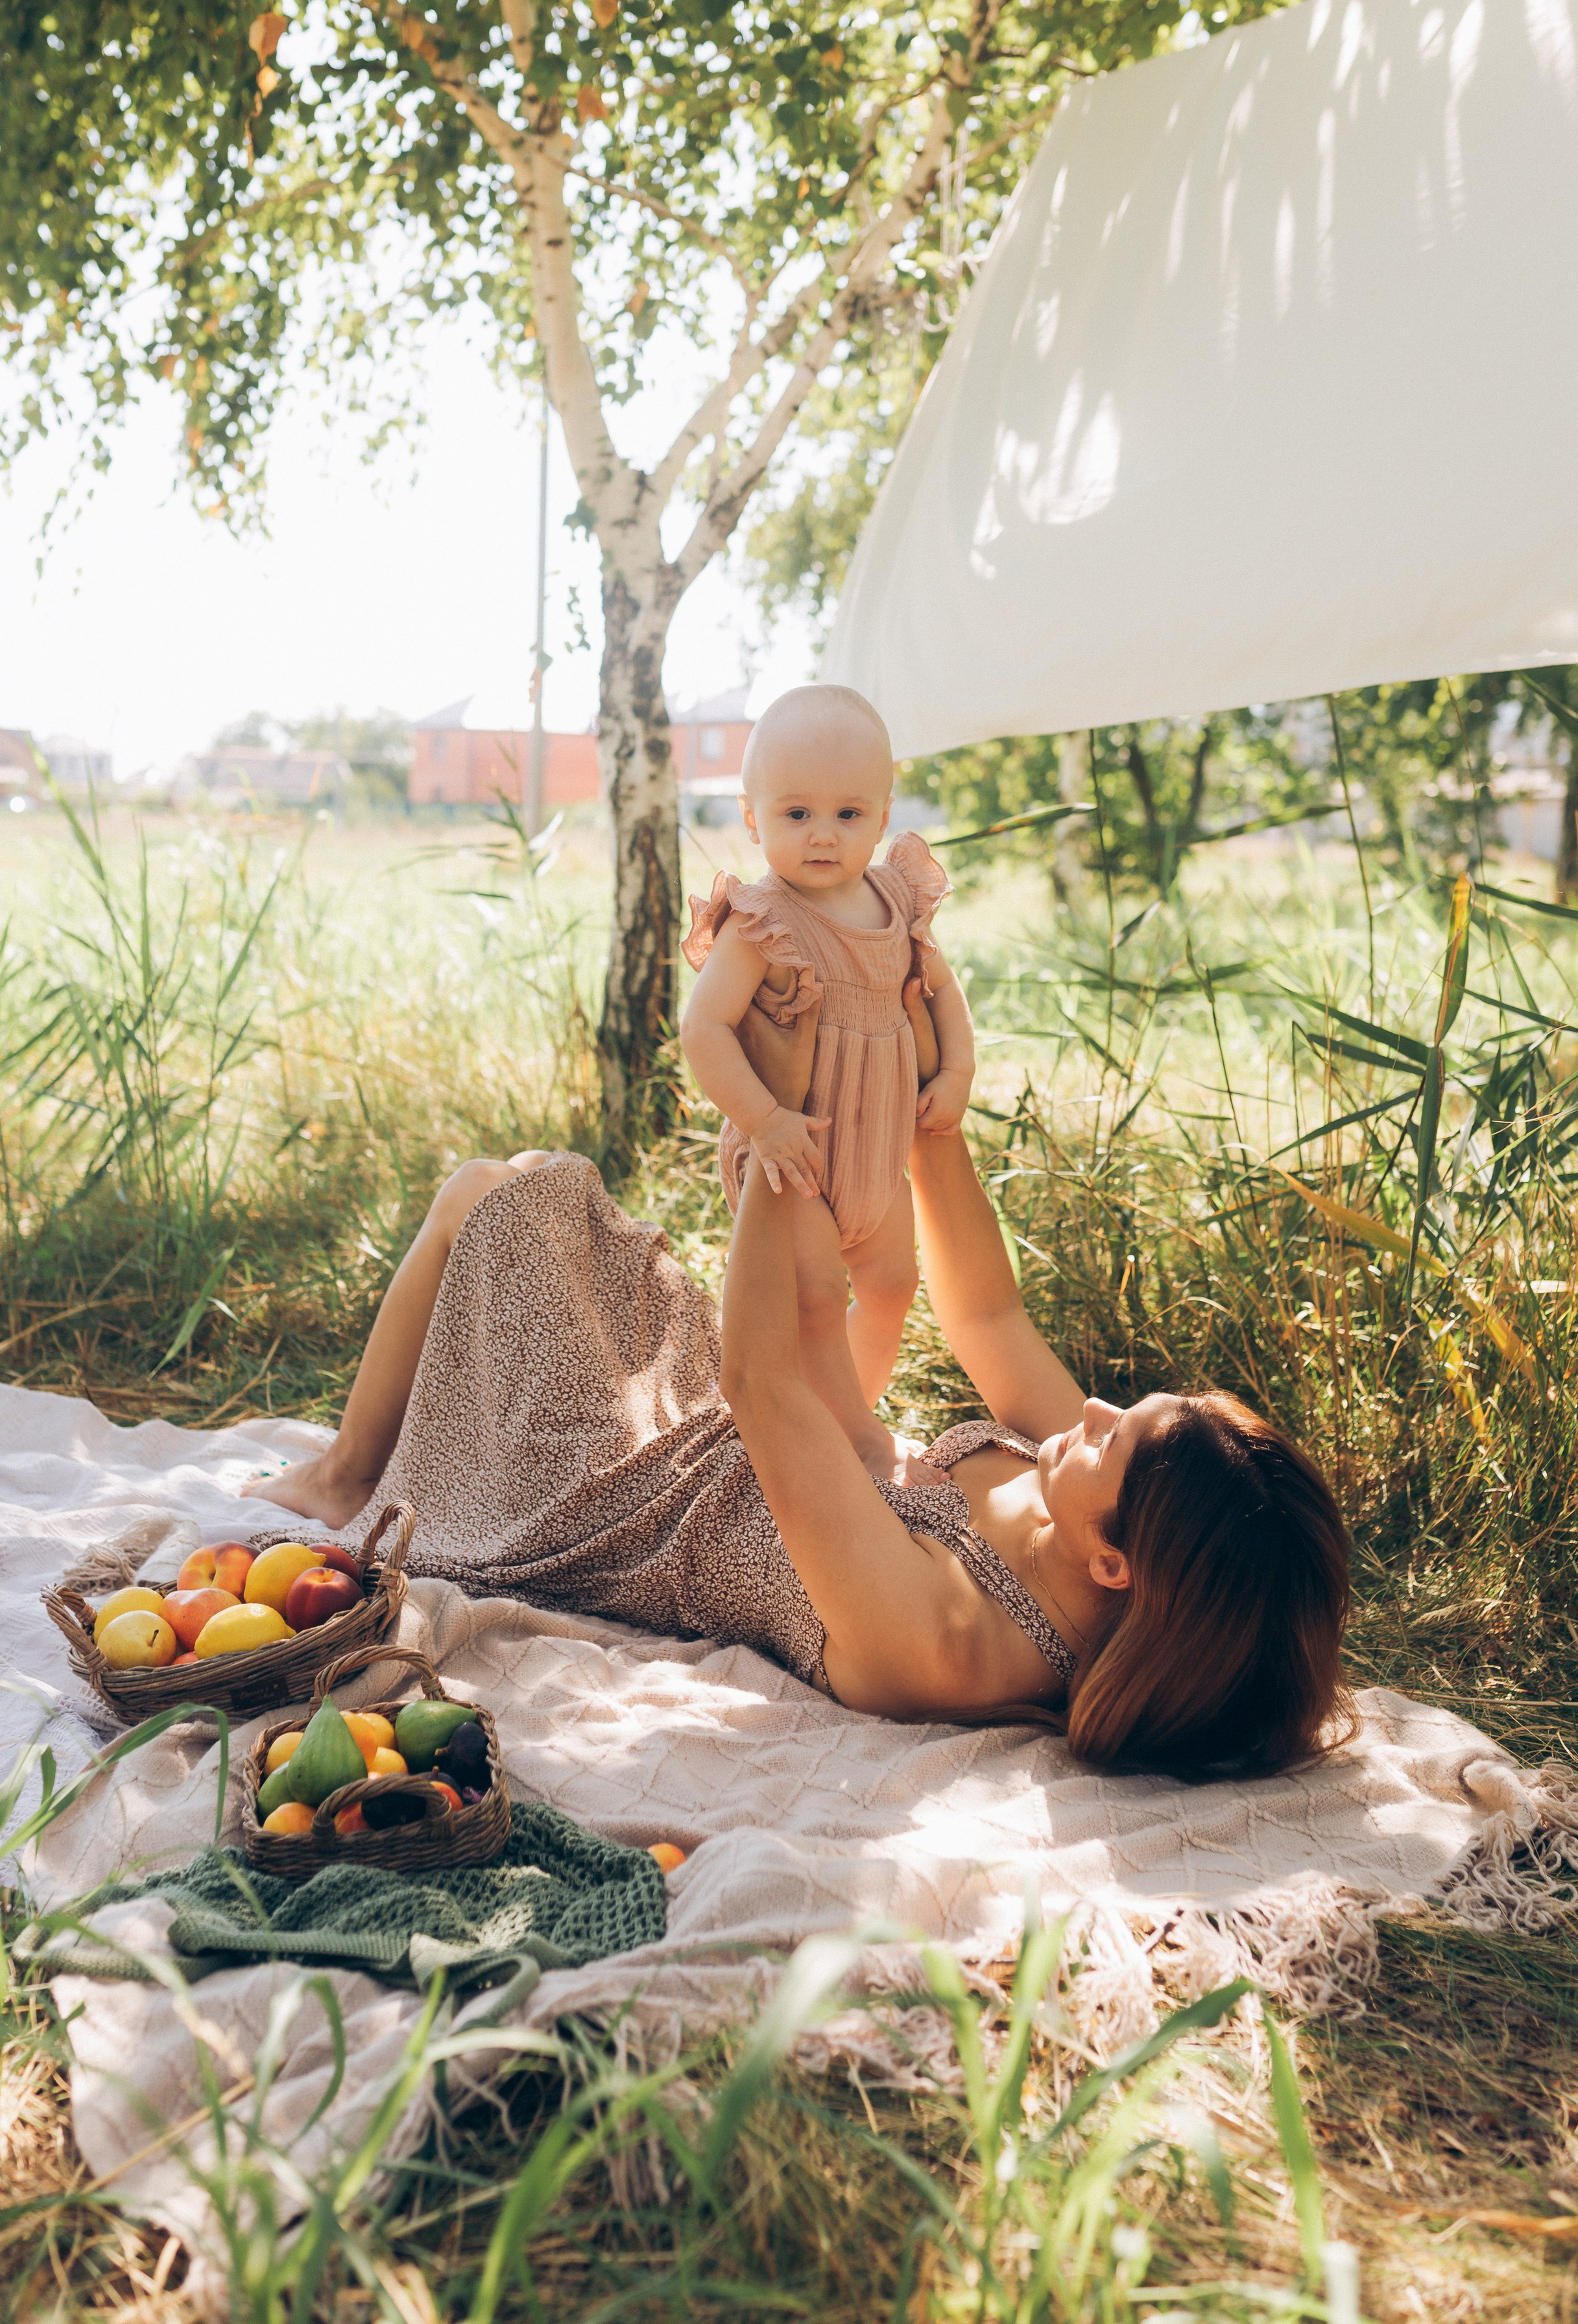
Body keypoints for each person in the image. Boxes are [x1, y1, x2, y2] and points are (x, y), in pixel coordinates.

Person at [246, 999, 1356, 1779]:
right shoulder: (1099, 1520)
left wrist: (788, 1103)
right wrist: (926, 1102)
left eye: (1117, 1436)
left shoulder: (945, 1645)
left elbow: (763, 1376)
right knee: (534, 1187)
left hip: (617, 1497)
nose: (1095, 1413)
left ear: (1119, 1562)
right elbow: (989, 1317)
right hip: (710, 1430)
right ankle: (354, 1454)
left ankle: (351, 1474)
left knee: (491, 1193)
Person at [680, 684, 975, 1478]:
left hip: (875, 1151)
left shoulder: (893, 898)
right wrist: (764, 1118)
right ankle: (859, 1443)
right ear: (752, 819)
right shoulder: (761, 919)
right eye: (795, 814)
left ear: (881, 817)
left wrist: (956, 1069)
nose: (821, 835)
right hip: (792, 1151)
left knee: (891, 1283)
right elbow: (701, 1028)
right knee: (813, 1297)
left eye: (847, 815)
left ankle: (842, 1415)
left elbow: (941, 989)